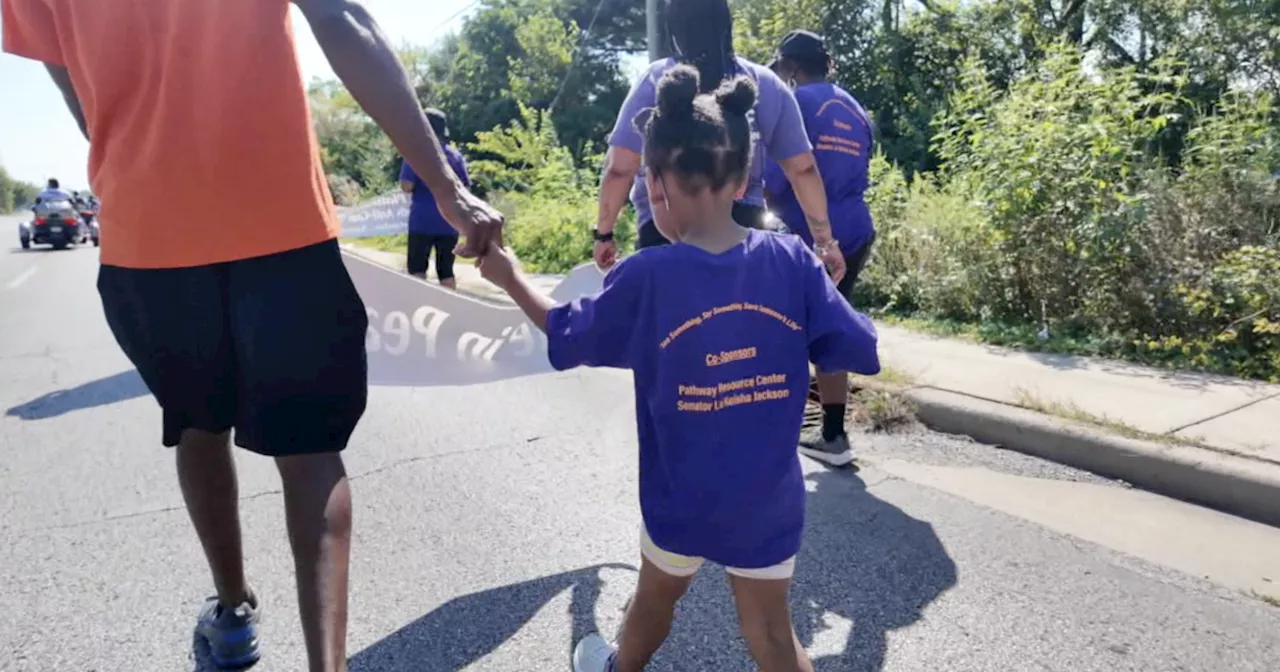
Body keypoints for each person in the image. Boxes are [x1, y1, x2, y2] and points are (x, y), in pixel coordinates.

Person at [2, 1, 503, 670]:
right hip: (281, 218)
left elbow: (69, 77)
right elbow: (342, 18)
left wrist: (140, 156)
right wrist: (445, 184)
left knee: (197, 425)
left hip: (149, 231)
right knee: (310, 450)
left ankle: (233, 615)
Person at [477, 66, 880, 672]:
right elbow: (858, 345)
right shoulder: (792, 260)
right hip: (767, 497)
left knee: (655, 600)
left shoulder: (646, 277)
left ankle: (618, 668)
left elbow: (565, 331)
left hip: (680, 497)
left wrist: (508, 275)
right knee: (772, 632)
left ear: (656, 187)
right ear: (745, 177)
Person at [591, 0, 846, 284]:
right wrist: (824, 242)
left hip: (665, 230)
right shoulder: (766, 83)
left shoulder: (656, 81)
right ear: (728, 26)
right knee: (739, 321)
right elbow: (803, 170)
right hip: (743, 227)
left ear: (674, 29)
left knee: (671, 324)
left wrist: (604, 233)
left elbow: (619, 169)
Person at [765, 30, 879, 467]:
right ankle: (833, 434)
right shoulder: (854, 107)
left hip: (809, 236)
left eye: (781, 69)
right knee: (830, 328)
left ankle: (779, 426)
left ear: (791, 67)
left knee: (784, 330)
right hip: (854, 234)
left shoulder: (794, 103)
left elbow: (783, 176)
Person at [399, 108, 470, 288]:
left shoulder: (415, 153)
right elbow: (465, 188)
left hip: (421, 222)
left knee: (417, 270)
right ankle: (451, 309)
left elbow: (407, 186)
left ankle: (416, 309)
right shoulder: (455, 156)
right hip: (449, 222)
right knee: (446, 270)